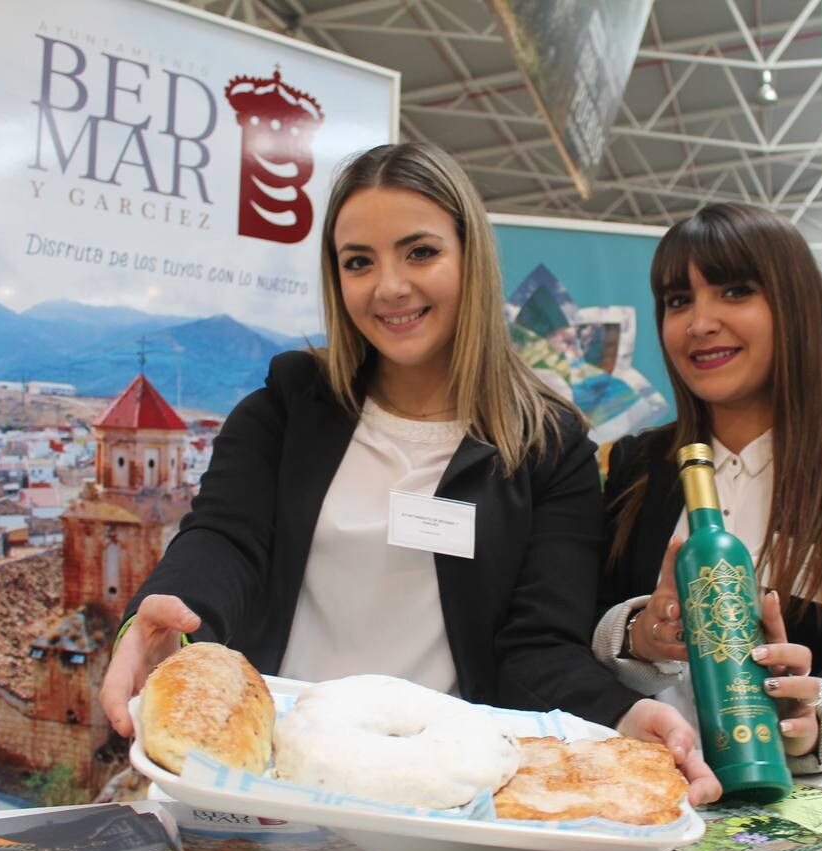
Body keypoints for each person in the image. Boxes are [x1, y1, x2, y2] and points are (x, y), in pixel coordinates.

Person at [99, 142, 716, 802]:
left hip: (444, 797)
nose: (389, 286)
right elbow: (224, 540)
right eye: (359, 262)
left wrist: (621, 716)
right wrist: (167, 618)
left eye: (420, 252)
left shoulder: (545, 446)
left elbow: (539, 644)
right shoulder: (286, 409)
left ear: (469, 258)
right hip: (269, 778)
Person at [592, 202, 822, 773]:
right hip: (650, 783)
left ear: (793, 307)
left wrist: (814, 721)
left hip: (801, 806)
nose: (700, 323)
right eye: (679, 301)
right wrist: (638, 635)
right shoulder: (640, 464)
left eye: (734, 292)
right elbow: (582, 623)